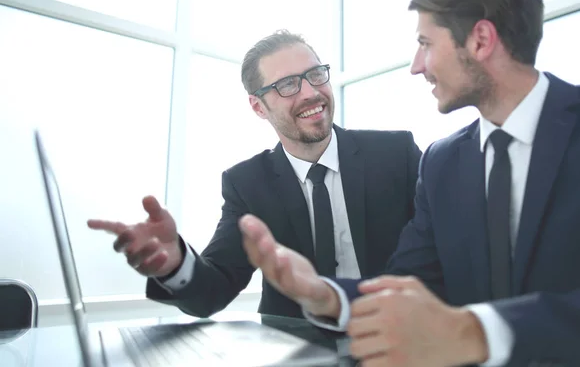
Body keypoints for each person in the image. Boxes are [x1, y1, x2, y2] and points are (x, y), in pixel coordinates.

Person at [238, 0, 580, 366]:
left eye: (425, 43)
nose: (416, 66)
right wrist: (325, 294)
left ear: (480, 40)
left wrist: (476, 332)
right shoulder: (441, 163)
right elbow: (411, 284)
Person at [87, 30, 422, 319]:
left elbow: (443, 254)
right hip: (298, 355)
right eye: (288, 84)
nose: (310, 92)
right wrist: (174, 265)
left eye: (316, 74)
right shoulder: (247, 184)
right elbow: (214, 289)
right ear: (258, 107)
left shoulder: (396, 154)